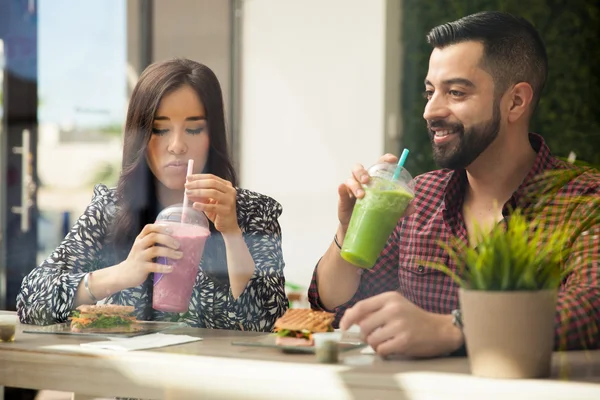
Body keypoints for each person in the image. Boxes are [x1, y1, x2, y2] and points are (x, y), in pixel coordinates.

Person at [308, 11, 600, 357]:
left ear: (516, 101)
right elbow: (335, 307)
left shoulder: (583, 199)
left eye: (456, 92)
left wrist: (455, 329)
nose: (430, 111)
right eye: (430, 92)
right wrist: (348, 229)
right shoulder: (419, 196)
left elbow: (590, 307)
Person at [17, 58, 288, 331]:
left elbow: (270, 321)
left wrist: (231, 234)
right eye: (160, 129)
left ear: (212, 135)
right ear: (142, 137)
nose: (177, 145)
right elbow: (31, 300)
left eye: (194, 129)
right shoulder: (113, 209)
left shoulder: (252, 211)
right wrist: (121, 273)